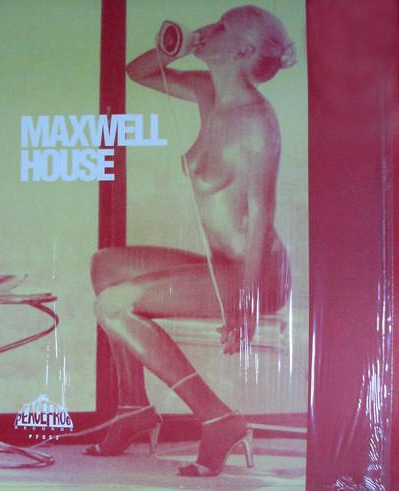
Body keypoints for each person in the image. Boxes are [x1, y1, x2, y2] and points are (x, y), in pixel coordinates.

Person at [85, 5, 295, 477]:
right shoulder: (206, 92)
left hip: (256, 276)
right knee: (106, 266)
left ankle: (218, 419)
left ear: (242, 50)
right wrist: (179, 43)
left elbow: (262, 217)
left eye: (221, 28)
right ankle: (133, 409)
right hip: (222, 266)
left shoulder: (257, 122)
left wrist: (245, 303)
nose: (209, 31)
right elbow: (138, 72)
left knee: (113, 306)